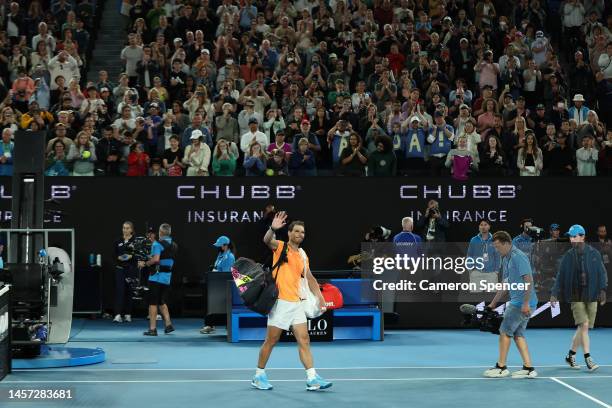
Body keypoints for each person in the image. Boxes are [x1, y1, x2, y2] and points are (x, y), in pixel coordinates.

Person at [252, 212, 331, 391]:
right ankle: (258, 375)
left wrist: (320, 297)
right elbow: (266, 240)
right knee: (271, 341)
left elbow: (309, 277)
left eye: (302, 232)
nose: (300, 234)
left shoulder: (303, 254)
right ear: (289, 233)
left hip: (297, 303)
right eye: (296, 231)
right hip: (280, 302)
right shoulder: (280, 247)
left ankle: (312, 378)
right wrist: (272, 228)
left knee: (304, 339)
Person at [550, 225, 608, 371]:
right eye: (570, 236)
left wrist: (602, 289)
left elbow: (602, 272)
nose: (571, 239)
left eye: (574, 236)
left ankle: (570, 355)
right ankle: (588, 358)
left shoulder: (594, 253)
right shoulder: (568, 256)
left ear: (582, 237)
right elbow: (560, 276)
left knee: (583, 327)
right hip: (575, 295)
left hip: (591, 294)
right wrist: (554, 293)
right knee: (584, 325)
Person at [484, 231, 538, 379]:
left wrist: (526, 303)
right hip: (521, 302)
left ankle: (501, 367)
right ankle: (528, 368)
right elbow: (506, 284)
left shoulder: (517, 257)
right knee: (518, 334)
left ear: (507, 243)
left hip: (521, 302)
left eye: (498, 246)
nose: (496, 250)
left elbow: (529, 281)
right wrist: (493, 303)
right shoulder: (506, 259)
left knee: (504, 331)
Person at [140, 223, 177, 336]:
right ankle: (168, 325)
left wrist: (145, 263)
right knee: (161, 301)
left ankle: (152, 329)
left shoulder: (157, 244)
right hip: (167, 278)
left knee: (152, 303)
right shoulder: (175, 245)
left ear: (160, 233)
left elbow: (156, 259)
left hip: (156, 277)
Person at [200, 235, 236, 335]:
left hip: (223, 286)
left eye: (220, 245)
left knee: (222, 306)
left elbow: (226, 273)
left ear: (225, 245)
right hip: (215, 284)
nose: (218, 247)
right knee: (210, 304)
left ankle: (226, 325)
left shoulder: (230, 257)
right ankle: (210, 325)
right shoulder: (220, 255)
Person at [113, 221, 137, 323]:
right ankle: (118, 314)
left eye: (127, 228)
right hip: (120, 270)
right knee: (120, 291)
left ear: (131, 229)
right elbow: (114, 255)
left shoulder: (135, 241)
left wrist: (130, 256)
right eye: (124, 228)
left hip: (131, 270)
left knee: (129, 291)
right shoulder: (117, 241)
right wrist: (120, 258)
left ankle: (128, 314)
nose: (125, 230)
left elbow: (136, 255)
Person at [467, 220, 500, 289]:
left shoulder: (495, 240)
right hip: (476, 272)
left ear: (489, 227)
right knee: (475, 297)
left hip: (491, 273)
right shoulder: (473, 240)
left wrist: (496, 271)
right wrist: (471, 270)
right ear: (479, 227)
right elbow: (469, 255)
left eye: (485, 225)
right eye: (481, 225)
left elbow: (497, 256)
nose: (483, 227)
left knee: (491, 297)